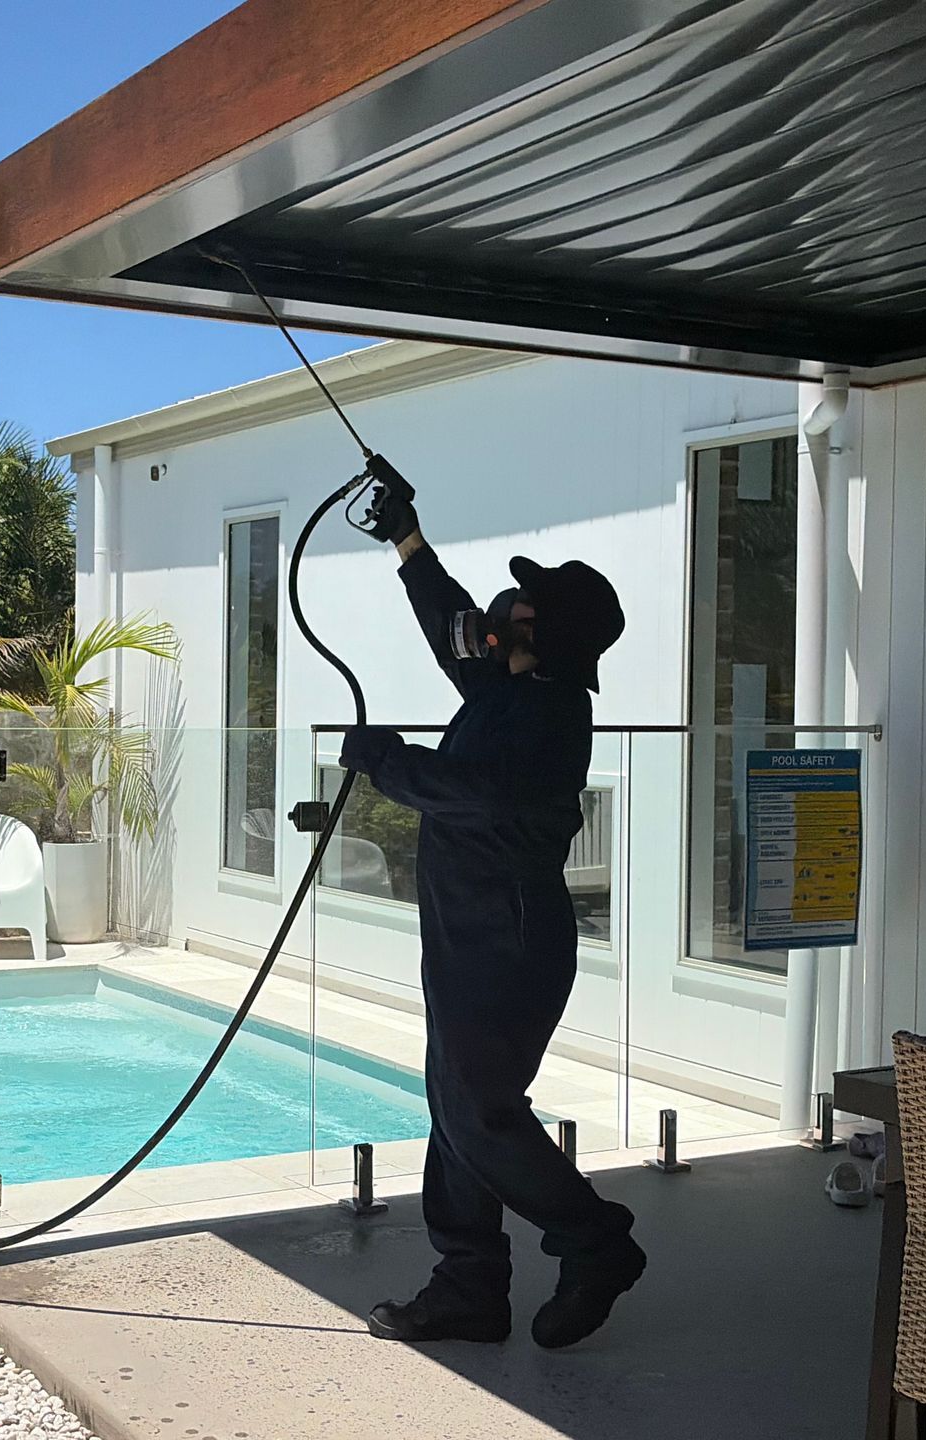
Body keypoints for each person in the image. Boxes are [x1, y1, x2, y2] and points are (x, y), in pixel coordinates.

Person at [337, 487, 642, 1349]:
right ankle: (469, 1286)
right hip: (472, 939)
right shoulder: (510, 688)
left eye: (526, 602)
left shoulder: (551, 712)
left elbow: (479, 794)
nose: (507, 608)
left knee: (479, 1111)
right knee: (458, 1106)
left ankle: (596, 1243)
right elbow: (452, 626)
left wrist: (387, 762)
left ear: (548, 635)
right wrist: (406, 535)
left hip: (507, 945)